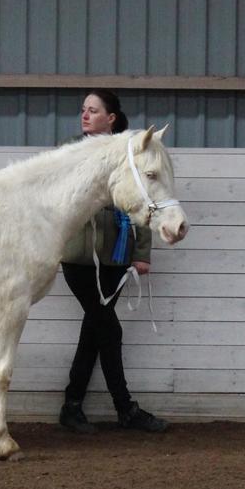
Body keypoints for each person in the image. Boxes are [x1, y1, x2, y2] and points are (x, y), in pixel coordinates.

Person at [57, 90, 169, 435]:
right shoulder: (69, 152)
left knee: (95, 331)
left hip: (116, 258)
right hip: (79, 257)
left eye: (93, 110)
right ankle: (125, 408)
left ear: (112, 118)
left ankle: (73, 406)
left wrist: (142, 252)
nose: (85, 115)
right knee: (108, 329)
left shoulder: (131, 153)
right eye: (83, 110)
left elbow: (143, 201)